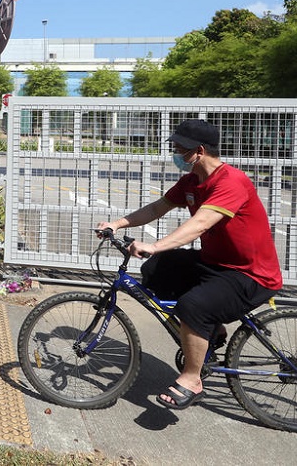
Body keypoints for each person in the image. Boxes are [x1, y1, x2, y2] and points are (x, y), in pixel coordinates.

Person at [96, 119, 282, 411]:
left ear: (199, 150)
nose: (175, 153)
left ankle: (192, 379)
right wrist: (118, 224)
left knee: (192, 306)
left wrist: (154, 245)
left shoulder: (231, 181)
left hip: (251, 275)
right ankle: (213, 331)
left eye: (179, 148)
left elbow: (201, 223)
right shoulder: (192, 180)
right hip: (216, 264)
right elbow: (158, 207)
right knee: (157, 269)